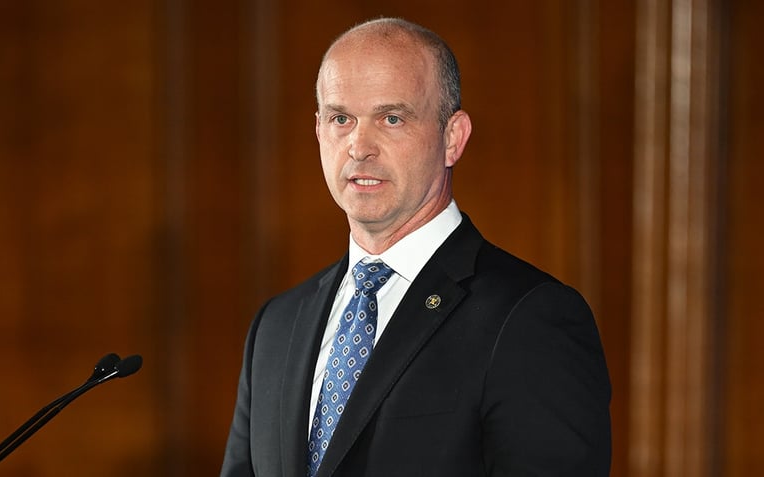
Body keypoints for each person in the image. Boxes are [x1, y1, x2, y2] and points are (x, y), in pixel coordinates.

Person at [220, 17, 611, 477]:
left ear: (452, 138)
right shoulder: (276, 326)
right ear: (319, 131)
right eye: (341, 118)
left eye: (391, 118)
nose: (359, 146)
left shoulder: (530, 318)